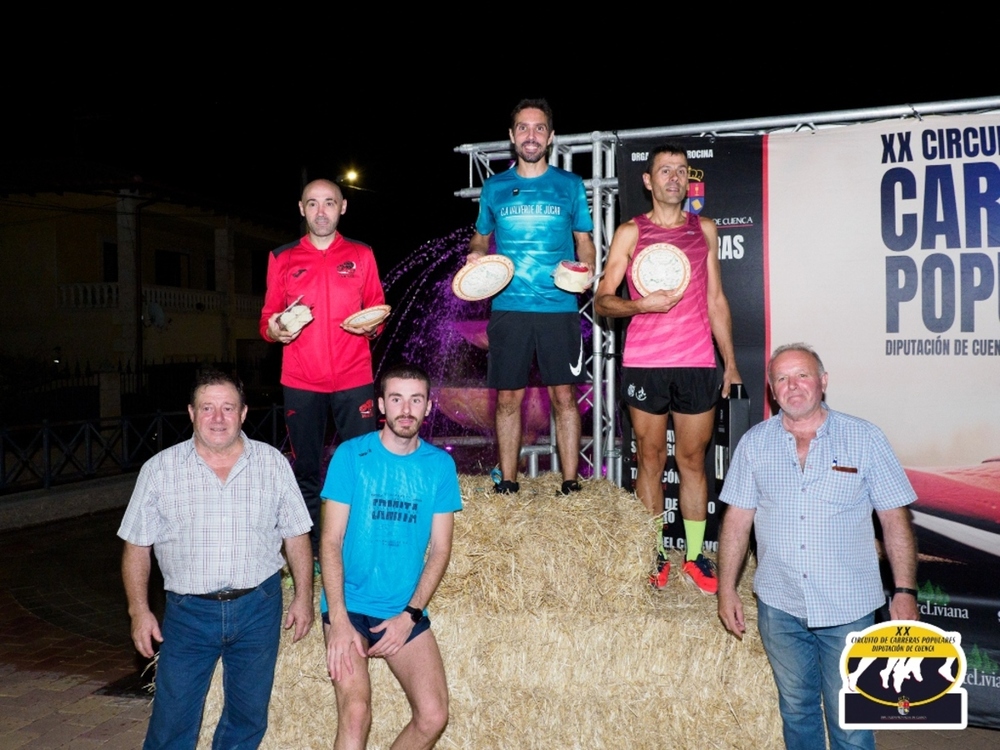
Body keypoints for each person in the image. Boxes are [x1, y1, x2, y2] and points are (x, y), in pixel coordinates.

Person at [716, 343, 919, 750]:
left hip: (849, 609)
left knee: (851, 720)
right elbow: (736, 522)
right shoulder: (755, 444)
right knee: (797, 711)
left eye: (803, 375)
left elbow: (895, 520)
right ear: (772, 390)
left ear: (823, 382)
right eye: (782, 379)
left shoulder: (865, 438)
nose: (793, 386)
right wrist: (725, 589)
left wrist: (905, 591)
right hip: (780, 606)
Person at [118, 369, 313, 749]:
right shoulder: (160, 471)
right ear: (191, 413)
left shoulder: (272, 464)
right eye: (208, 408)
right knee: (171, 722)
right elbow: (136, 546)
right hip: (189, 614)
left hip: (259, 607)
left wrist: (304, 595)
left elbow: (296, 534)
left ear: (243, 414)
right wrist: (138, 611)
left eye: (228, 408)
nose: (218, 418)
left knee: (247, 718)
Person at [594, 145, 741, 594]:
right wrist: (640, 304)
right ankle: (654, 552)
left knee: (694, 462)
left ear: (686, 179)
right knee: (650, 460)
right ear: (648, 180)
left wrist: (730, 363)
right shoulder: (629, 233)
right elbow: (602, 298)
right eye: (664, 171)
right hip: (645, 364)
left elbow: (716, 300)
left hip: (697, 363)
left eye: (680, 171)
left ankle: (696, 556)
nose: (673, 178)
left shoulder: (705, 230)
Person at [320, 363, 462, 749]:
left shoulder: (439, 466)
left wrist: (409, 616)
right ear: (381, 404)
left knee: (434, 715)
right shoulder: (352, 456)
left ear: (429, 406)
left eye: (416, 400)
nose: (406, 409)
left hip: (401, 608)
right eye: (396, 399)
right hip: (348, 604)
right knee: (356, 710)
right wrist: (339, 620)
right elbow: (330, 541)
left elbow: (441, 550)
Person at [466, 98, 597, 496]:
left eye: (539, 128)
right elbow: (480, 234)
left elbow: (584, 241)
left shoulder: (570, 185)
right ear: (511, 137)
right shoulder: (495, 186)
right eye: (523, 128)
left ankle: (571, 483)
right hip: (508, 307)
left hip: (559, 306)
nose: (531, 135)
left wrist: (587, 269)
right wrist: (476, 251)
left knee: (564, 397)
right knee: (508, 399)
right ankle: (508, 483)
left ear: (551, 137)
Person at [260, 179, 385, 555]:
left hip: (354, 379)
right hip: (301, 381)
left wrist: (372, 325)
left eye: (329, 203)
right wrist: (276, 330)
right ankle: (311, 551)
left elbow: (378, 308)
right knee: (307, 472)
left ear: (343, 207)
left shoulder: (362, 255)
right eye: (312, 204)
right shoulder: (282, 257)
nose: (321, 211)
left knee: (362, 468)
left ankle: (359, 546)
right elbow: (267, 319)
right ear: (301, 209)